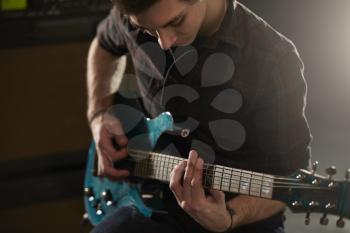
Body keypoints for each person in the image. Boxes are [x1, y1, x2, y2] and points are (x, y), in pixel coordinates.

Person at [86, 0, 312, 232]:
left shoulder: (273, 58)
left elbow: (290, 179)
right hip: (149, 198)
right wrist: (98, 113)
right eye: (148, 31)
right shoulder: (137, 13)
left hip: (240, 214)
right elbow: (104, 45)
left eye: (176, 21)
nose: (164, 42)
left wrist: (230, 217)